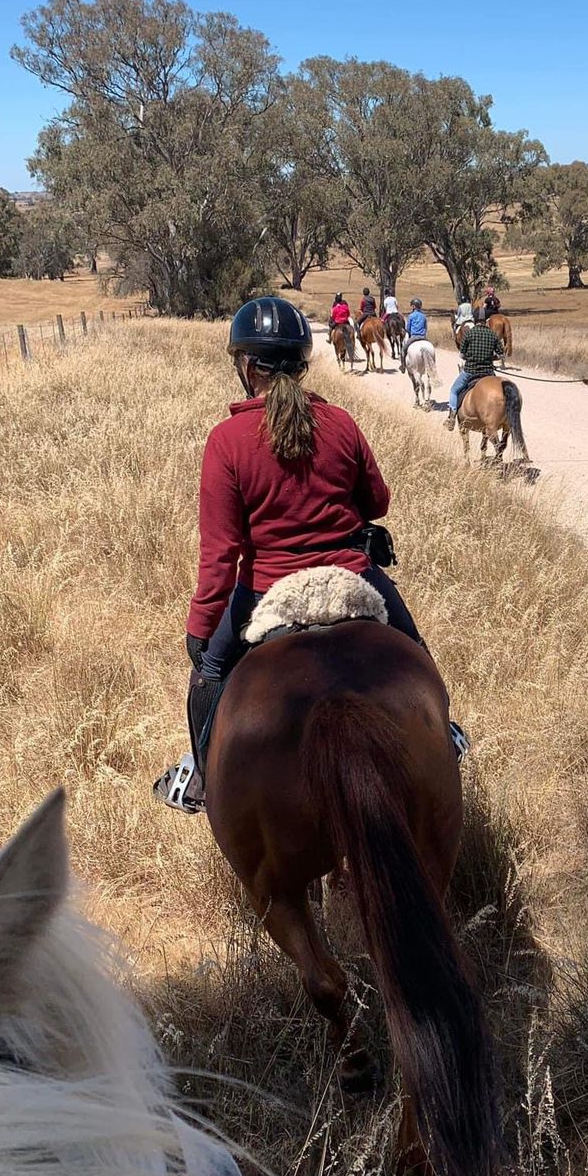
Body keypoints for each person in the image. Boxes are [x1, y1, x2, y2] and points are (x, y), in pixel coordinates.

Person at [153, 296, 464, 814]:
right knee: (414, 651)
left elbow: (221, 553)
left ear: (247, 365)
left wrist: (201, 624)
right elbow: (378, 501)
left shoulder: (226, 440)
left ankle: (206, 781)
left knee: (208, 674)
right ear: (302, 364)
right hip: (352, 576)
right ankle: (443, 736)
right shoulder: (339, 423)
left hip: (265, 589)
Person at [446, 308, 505, 429]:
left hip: (470, 371)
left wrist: (471, 356)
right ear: (486, 320)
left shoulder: (469, 334)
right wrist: (490, 357)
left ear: (474, 319)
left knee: (454, 390)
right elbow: (501, 355)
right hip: (488, 372)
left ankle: (451, 417)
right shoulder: (493, 334)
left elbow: (461, 355)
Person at [402, 295, 427, 368]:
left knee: (403, 350)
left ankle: (403, 366)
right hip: (423, 337)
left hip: (414, 337)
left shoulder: (411, 316)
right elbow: (425, 328)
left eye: (412, 306)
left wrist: (407, 332)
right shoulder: (423, 316)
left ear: (414, 307)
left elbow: (408, 328)